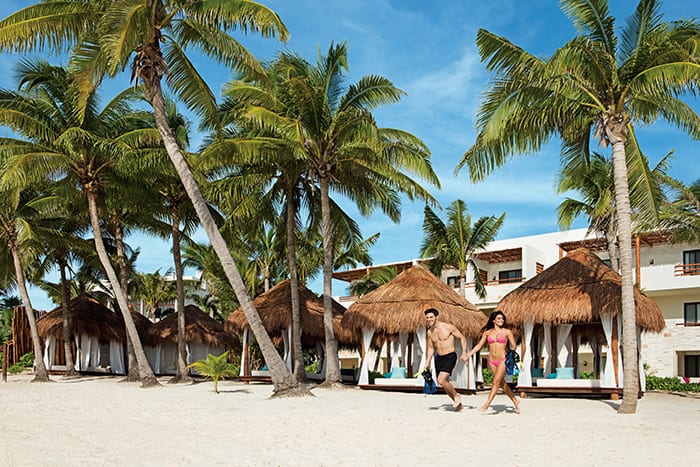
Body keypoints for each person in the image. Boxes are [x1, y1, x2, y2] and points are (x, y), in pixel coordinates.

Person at [466, 310, 520, 413]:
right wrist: (469, 354)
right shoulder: (487, 333)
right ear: (494, 320)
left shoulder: (507, 332)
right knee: (501, 383)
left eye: (502, 319)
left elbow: (514, 345)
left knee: (495, 382)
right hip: (491, 361)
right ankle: (515, 401)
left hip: (503, 359)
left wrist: (512, 348)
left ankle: (486, 405)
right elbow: (479, 345)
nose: (501, 320)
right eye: (499, 318)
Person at [423, 307, 468, 411]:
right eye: (427, 318)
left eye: (431, 317)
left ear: (436, 317)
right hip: (439, 358)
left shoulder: (448, 327)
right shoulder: (429, 332)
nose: (429, 319)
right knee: (443, 383)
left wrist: (464, 352)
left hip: (450, 356)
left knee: (441, 380)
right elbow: (430, 348)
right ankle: (458, 404)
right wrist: (427, 362)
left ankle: (457, 396)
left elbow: (462, 337)